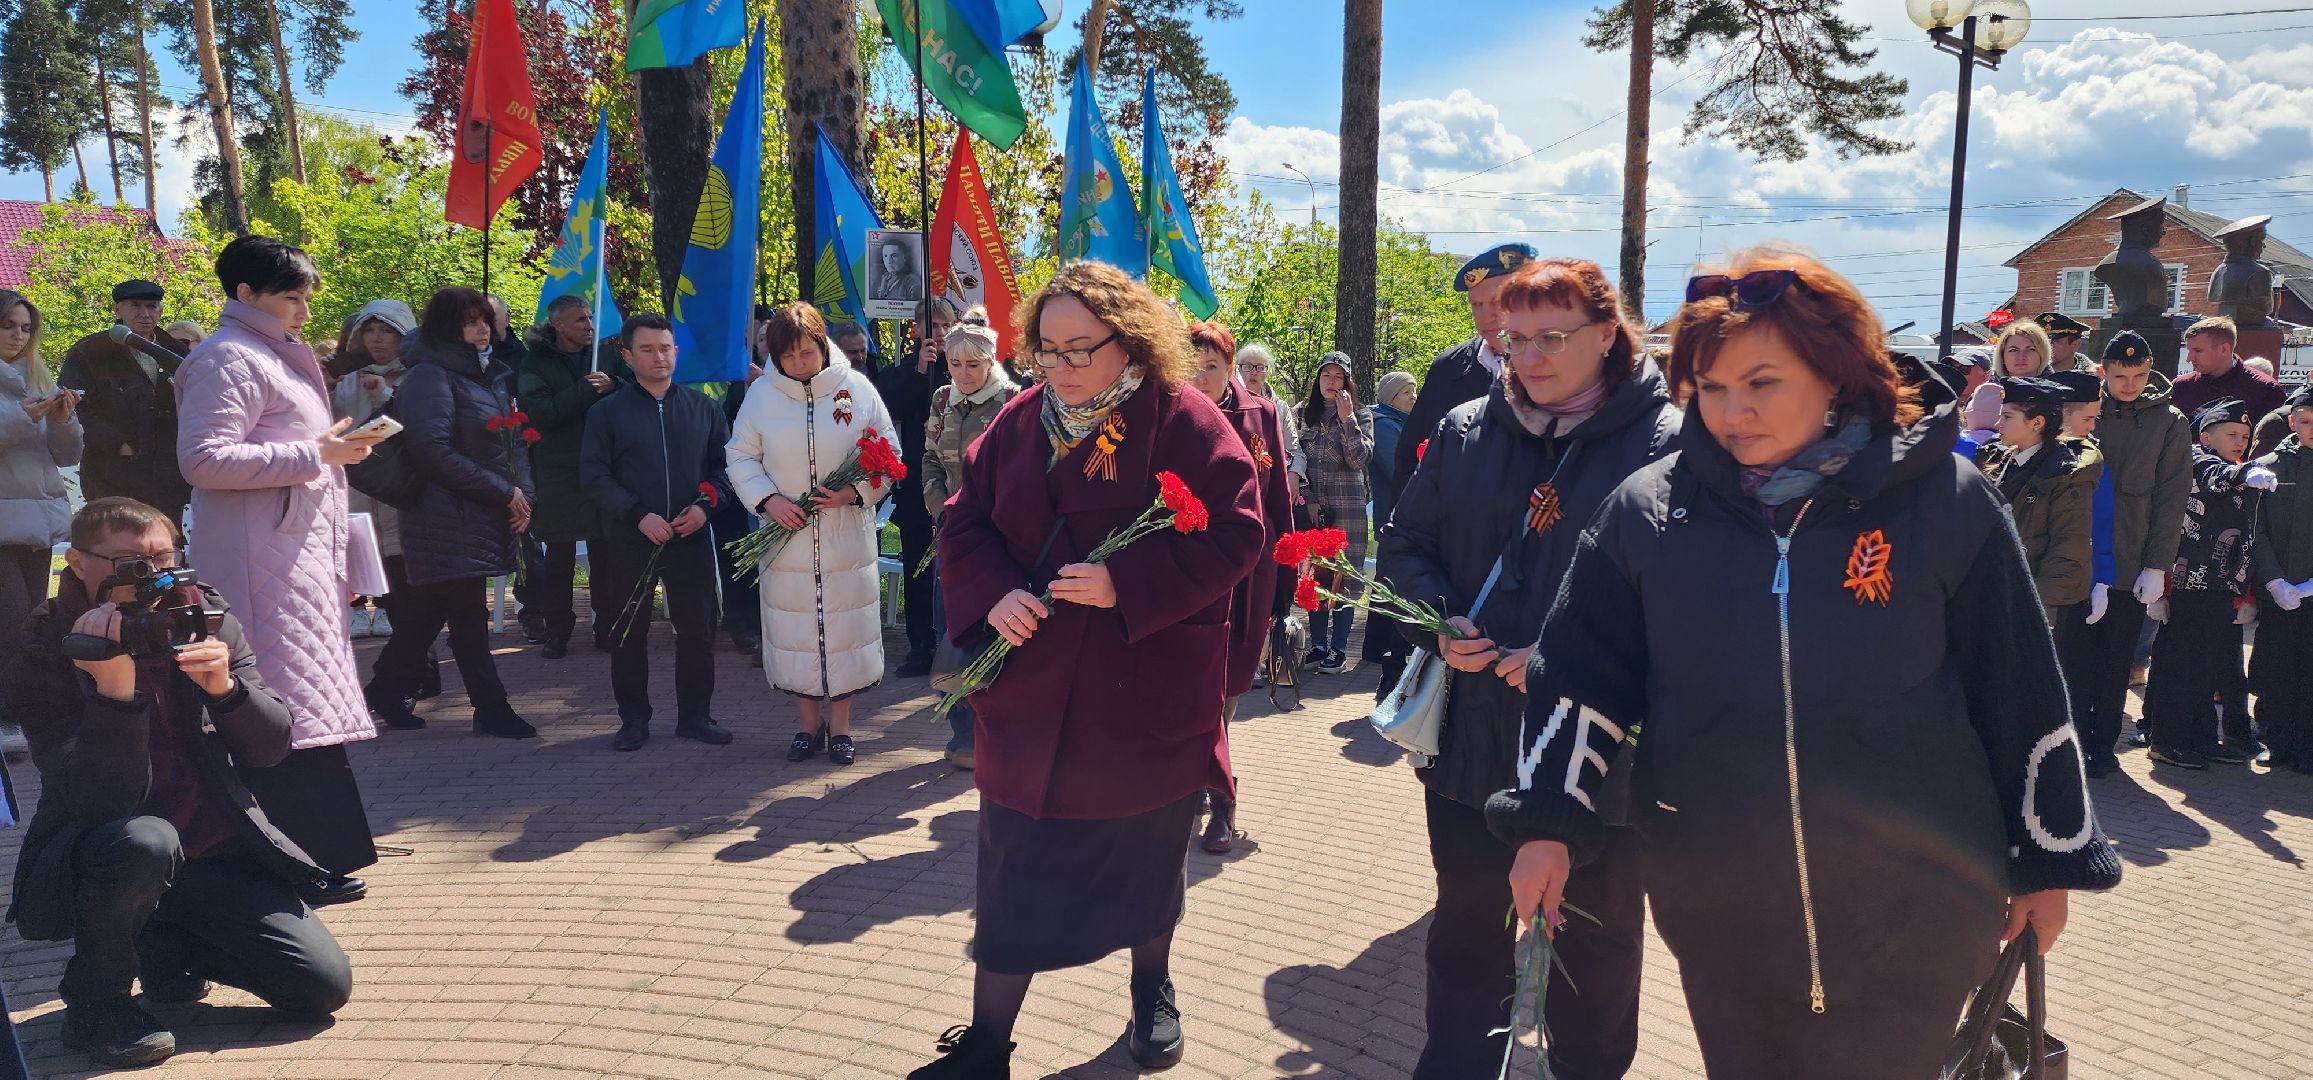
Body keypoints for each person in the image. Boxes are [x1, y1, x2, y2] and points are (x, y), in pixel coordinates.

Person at [1490, 249, 2122, 1079]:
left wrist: (2047, 860)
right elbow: (1579, 677)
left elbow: (2018, 687)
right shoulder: (1646, 513)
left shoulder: (1947, 501)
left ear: (1834, 375)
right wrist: (1545, 826)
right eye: (1709, 388)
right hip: (1718, 901)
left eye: (1761, 382)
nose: (1731, 412)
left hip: (1920, 901)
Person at [912, 260, 1262, 1080]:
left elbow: (1237, 534)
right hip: (1031, 691)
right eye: (1046, 350)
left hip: (1139, 689)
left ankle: (1152, 993)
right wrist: (993, 594)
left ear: (1129, 341)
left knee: (1146, 854)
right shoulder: (1021, 419)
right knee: (1011, 864)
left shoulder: (1183, 418)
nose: (1059, 368)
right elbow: (964, 526)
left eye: (1079, 349)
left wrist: (1126, 584)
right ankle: (988, 1044)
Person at [1379, 257, 1675, 1080]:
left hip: (1598, 760)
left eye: (1553, 338)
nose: (1531, 358)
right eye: (1515, 339)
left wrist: (1562, 659)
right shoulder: (1469, 429)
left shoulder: (1671, 445)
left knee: (1598, 945)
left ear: (1608, 335)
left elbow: (1688, 606)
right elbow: (1405, 545)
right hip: (1475, 741)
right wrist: (1440, 619)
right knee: (1467, 933)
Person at [2, 498, 354, 1069]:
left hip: (211, 853)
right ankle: (97, 1001)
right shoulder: (46, 648)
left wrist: (228, 692)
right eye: (126, 562)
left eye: (164, 559)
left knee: (319, 989)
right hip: (107, 848)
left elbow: (270, 749)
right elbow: (98, 801)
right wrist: (116, 696)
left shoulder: (202, 616)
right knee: (147, 839)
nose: (152, 578)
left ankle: (164, 942)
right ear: (78, 563)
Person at [175, 236, 384, 909]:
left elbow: (295, 456)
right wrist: (314, 452)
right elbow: (202, 461)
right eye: (290, 295)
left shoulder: (268, 355)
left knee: (300, 713)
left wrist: (330, 453)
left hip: (290, 560)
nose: (302, 308)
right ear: (245, 294)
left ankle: (322, 857)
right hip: (257, 567)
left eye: (304, 296)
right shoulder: (226, 357)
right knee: (273, 714)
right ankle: (294, 862)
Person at [727, 303, 896, 767]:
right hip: (787, 538)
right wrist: (769, 501)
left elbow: (888, 452)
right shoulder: (761, 397)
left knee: (844, 630)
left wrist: (854, 492)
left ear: (823, 345)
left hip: (845, 536)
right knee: (796, 633)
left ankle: (841, 727)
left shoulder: (857, 389)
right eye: (788, 357)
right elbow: (740, 456)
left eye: (807, 353)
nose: (799, 364)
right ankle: (806, 726)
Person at [365, 287, 537, 739]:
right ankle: (492, 708)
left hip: (480, 511)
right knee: (466, 616)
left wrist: (523, 496)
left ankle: (385, 689)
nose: (483, 330)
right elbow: (430, 451)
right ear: (447, 327)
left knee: (427, 614)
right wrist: (505, 493)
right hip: (441, 514)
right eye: (471, 322)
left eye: (486, 320)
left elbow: (513, 443)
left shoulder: (490, 374)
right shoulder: (429, 376)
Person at [579, 313, 735, 751]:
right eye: (647, 349)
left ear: (676, 352)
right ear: (627, 356)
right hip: (632, 537)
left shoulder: (704, 409)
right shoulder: (606, 413)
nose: (658, 357)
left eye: (665, 348)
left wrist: (705, 509)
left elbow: (726, 471)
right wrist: (636, 514)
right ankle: (633, 718)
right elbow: (594, 476)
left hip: (690, 537)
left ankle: (696, 716)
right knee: (628, 630)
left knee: (698, 630)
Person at [1184, 319, 1293, 855]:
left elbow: (1278, 501)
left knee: (1225, 688)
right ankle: (1217, 798)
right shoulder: (1166, 411)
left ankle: (1212, 790)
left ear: (1231, 369)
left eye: (1212, 367)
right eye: (1192, 366)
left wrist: (1287, 579)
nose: (1200, 377)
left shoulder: (1259, 414)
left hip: (1249, 574)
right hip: (1187, 571)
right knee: (1192, 683)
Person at [2077, 331, 2193, 761]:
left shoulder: (2170, 421)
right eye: (2120, 375)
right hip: (2080, 554)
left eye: (2139, 374)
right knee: (2075, 657)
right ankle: (2070, 740)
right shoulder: (2086, 409)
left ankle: (2102, 745)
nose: (2130, 384)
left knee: (2115, 659)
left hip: (2130, 555)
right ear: (2103, 371)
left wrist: (2158, 565)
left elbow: (2172, 497)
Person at [2142, 398, 2274, 770]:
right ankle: (2166, 740)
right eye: (2231, 434)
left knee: (2207, 669)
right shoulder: (2196, 460)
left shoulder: (2235, 468)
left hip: (2222, 584)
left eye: (2245, 437)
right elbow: (2214, 475)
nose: (2240, 442)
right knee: (2180, 666)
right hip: (2189, 582)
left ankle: (2200, 738)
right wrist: (2243, 474)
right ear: (2206, 435)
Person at [921, 315, 1021, 770]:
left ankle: (998, 732)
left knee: (994, 632)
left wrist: (973, 514)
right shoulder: (943, 399)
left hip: (996, 534)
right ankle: (962, 736)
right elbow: (929, 459)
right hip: (950, 532)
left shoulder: (1012, 401)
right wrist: (941, 508)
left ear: (990, 362)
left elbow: (1018, 473)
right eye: (955, 364)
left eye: (973, 365)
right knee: (953, 631)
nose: (963, 374)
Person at [517, 295, 630, 658]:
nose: (589, 326)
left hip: (603, 467)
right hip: (558, 471)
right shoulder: (535, 362)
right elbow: (543, 414)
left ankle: (607, 626)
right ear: (559, 324)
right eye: (580, 320)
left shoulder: (607, 357)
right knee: (559, 558)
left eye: (590, 318)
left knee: (605, 553)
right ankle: (557, 631)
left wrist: (615, 388)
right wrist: (585, 389)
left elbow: (635, 396)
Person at [1, 288, 80, 767]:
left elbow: (68, 455)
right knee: (10, 624)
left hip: (31, 523)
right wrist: (21, 418)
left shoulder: (36, 377)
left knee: (30, 622)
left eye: (26, 327)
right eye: (8, 324)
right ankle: (10, 716)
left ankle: (24, 712)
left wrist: (66, 420)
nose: (18, 334)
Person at [1394, 242, 1535, 489]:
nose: (1485, 316)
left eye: (1496, 301)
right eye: (1476, 304)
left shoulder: (1556, 367)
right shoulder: (1448, 369)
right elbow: (1409, 461)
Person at [58, 280, 196, 526]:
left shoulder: (174, 351)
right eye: (135, 305)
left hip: (169, 477)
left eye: (152, 306)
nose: (145, 313)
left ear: (161, 310)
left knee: (164, 551)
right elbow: (75, 405)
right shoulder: (90, 352)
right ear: (116, 309)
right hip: (112, 474)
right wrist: (117, 443)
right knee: (119, 550)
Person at [329, 299, 420, 641]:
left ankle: (414, 675)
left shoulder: (417, 374)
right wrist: (323, 383)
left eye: (387, 331)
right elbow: (327, 430)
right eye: (370, 330)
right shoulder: (346, 380)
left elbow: (417, 427)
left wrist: (386, 397)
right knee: (366, 580)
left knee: (412, 602)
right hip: (358, 497)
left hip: (403, 498)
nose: (377, 339)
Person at [878, 298, 958, 679]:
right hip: (914, 487)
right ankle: (920, 645)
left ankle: (951, 643)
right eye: (932, 327)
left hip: (955, 483)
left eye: (945, 327)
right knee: (917, 565)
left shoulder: (963, 367)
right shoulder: (902, 372)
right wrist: (919, 370)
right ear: (916, 330)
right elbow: (890, 406)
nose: (939, 335)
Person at [1979, 377, 2101, 622]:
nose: (1997, 423)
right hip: (1997, 596)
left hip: (2031, 608)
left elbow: (2067, 552)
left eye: (2007, 417)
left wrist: (2032, 611)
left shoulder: (2066, 475)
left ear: (2037, 423)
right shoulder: (2000, 460)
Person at [1296, 352, 1374, 674]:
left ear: (1347, 383)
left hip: (1348, 510)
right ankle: (1317, 645)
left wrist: (1347, 421)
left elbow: (1359, 459)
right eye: (1326, 375)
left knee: (1345, 577)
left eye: (1338, 377)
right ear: (1318, 380)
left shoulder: (1361, 414)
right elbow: (1294, 459)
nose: (1331, 382)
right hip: (1315, 509)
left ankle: (1338, 648)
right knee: (1315, 576)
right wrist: (1308, 497)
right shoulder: (1302, 412)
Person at [2250, 385, 2313, 774]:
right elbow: (2257, 530)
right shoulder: (2272, 465)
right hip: (2282, 592)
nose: (2312, 430)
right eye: (2305, 422)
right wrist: (2273, 580)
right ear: (2291, 422)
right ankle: (2275, 739)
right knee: (2277, 666)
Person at [1363, 369, 1420, 697]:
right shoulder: (1385, 426)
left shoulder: (1400, 424)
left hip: (1399, 513)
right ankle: (1384, 651)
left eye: (1413, 392)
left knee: (1386, 583)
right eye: (1407, 393)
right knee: (1391, 584)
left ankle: (1376, 647)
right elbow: (1402, 468)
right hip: (1394, 515)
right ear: (1392, 398)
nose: (1414, 398)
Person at [2172, 315, 2283, 423]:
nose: (2189, 358)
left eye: (2198, 351)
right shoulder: (2180, 387)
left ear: (2224, 349)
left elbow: (2272, 437)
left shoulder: (2266, 390)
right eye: (2189, 351)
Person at [1235, 343, 1305, 480]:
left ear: (1267, 372)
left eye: (1260, 368)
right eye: (1248, 367)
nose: (1253, 372)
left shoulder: (1280, 407)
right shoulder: (1230, 405)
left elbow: (1294, 449)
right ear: (1239, 369)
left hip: (1272, 480)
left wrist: (1294, 474)